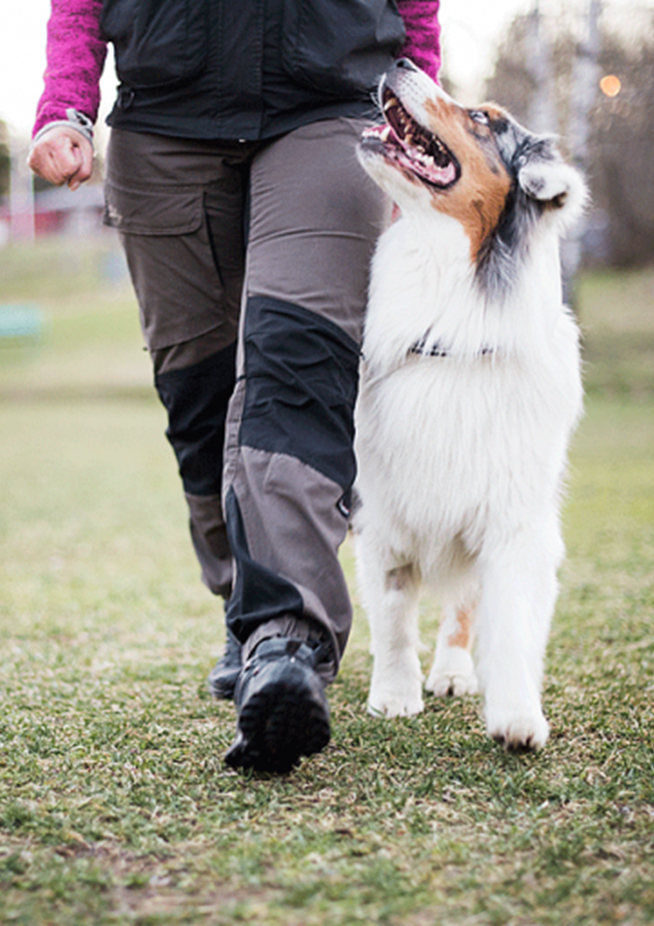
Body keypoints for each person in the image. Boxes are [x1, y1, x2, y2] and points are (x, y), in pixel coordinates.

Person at [29, 0, 441, 774]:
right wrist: (65, 105)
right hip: (164, 121)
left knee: (296, 361)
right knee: (198, 392)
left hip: (327, 105)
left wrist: (414, 102)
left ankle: (286, 636)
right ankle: (241, 599)